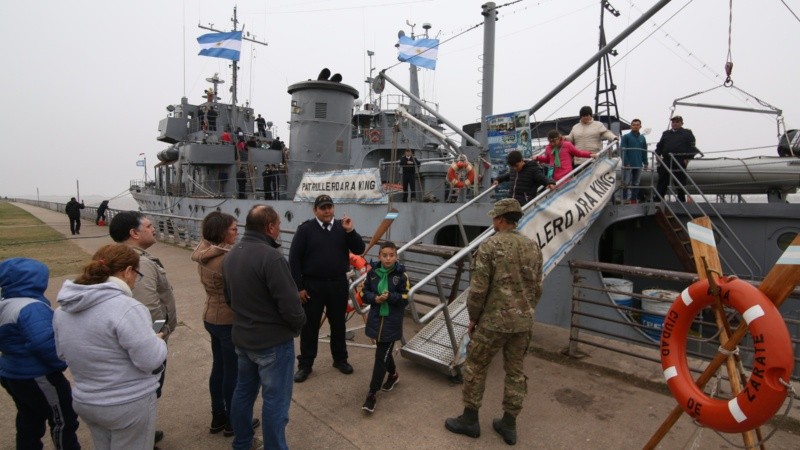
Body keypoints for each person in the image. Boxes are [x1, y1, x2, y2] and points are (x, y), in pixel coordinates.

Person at [445, 198, 542, 446]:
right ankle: (508, 425)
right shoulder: (533, 246)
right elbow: (537, 287)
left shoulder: (489, 246)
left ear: (500, 219)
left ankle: (470, 421)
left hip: (493, 322)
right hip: (522, 323)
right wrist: (526, 311)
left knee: (476, 367)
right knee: (515, 372)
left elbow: (478, 290)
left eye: (494, 217)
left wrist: (473, 318)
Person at [53, 244, 168, 450]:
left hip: (87, 400)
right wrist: (157, 340)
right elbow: (150, 360)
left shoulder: (62, 310)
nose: (135, 281)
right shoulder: (127, 307)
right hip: (127, 402)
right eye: (137, 274)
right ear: (128, 272)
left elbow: (62, 353)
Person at [222, 205, 306, 450]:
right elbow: (291, 306)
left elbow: (229, 299)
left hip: (243, 340)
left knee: (243, 393)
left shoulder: (231, 254)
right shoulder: (271, 257)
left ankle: (242, 443)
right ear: (270, 227)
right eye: (278, 225)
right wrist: (297, 326)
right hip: (273, 344)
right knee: (275, 402)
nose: (280, 229)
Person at [109, 211, 177, 443]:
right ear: (134, 233)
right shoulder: (140, 263)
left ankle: (140, 432)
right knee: (148, 392)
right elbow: (150, 307)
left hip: (128, 341)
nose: (154, 228)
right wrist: (159, 335)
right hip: (146, 343)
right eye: (148, 226)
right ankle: (141, 437)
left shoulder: (116, 258)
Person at [0, 258, 81, 450]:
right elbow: (43, 343)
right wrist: (59, 363)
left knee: (29, 417)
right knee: (63, 418)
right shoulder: (30, 307)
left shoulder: (6, 303)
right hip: (38, 375)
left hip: (12, 371)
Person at [289, 194, 366, 383]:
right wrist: (298, 287)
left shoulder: (343, 228)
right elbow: (294, 260)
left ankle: (340, 359)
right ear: (315, 210)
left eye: (330, 207)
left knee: (338, 324)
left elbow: (359, 249)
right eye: (323, 208)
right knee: (310, 326)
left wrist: (351, 231)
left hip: (338, 284)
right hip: (312, 285)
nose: (327, 211)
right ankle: (305, 365)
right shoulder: (305, 229)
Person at [191, 212, 254, 437]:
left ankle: (218, 414)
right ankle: (233, 421)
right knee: (233, 373)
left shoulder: (203, 253)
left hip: (211, 316)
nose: (237, 233)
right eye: (233, 229)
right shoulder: (226, 259)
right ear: (221, 232)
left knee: (219, 368)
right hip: (228, 320)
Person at [358, 241, 410, 414]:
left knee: (380, 357)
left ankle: (372, 394)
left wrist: (390, 297)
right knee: (384, 353)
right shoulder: (372, 274)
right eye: (384, 255)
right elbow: (364, 293)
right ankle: (394, 375)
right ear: (379, 256)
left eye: (391, 255)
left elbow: (405, 297)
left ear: (396, 256)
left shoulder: (401, 276)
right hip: (376, 320)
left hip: (391, 323)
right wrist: (375, 299)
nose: (388, 259)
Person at [655, 115, 700, 202]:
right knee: (662, 180)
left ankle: (681, 199)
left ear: (681, 123)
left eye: (677, 122)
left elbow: (692, 147)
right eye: (673, 122)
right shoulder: (666, 133)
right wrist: (657, 154)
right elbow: (660, 146)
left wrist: (688, 158)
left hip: (680, 159)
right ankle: (658, 199)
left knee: (680, 181)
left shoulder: (687, 133)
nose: (675, 123)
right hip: (667, 160)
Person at [620, 119, 648, 203]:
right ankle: (625, 199)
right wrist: (626, 162)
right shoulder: (626, 137)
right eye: (634, 124)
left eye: (637, 125)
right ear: (631, 126)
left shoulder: (642, 138)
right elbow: (622, 150)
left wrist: (645, 162)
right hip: (628, 164)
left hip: (638, 164)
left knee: (636, 183)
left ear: (640, 126)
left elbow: (644, 151)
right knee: (626, 182)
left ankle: (633, 199)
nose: (635, 126)